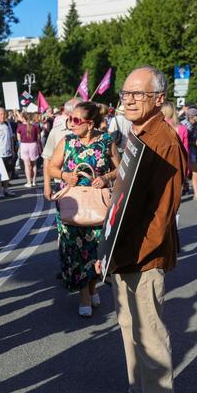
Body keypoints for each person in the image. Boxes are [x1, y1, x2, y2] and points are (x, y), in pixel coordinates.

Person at [97, 66, 185, 393]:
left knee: (150, 336)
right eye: (126, 93)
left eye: (139, 94)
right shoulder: (138, 132)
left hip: (143, 257)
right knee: (129, 327)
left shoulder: (164, 140)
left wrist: (125, 254)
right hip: (124, 252)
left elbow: (162, 215)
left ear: (159, 99)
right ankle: (139, 391)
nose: (129, 100)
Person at [47, 102, 119, 317]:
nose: (71, 123)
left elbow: (122, 167)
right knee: (75, 252)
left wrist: (106, 177)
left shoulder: (106, 141)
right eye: (70, 119)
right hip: (72, 206)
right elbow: (51, 167)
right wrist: (64, 176)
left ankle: (92, 286)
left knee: (97, 251)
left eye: (76, 120)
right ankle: (84, 296)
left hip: (98, 205)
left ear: (89, 124)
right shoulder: (67, 141)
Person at [42, 98, 81, 201]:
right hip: (61, 183)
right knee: (65, 214)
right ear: (69, 114)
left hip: (85, 184)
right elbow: (47, 160)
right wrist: (47, 185)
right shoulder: (56, 132)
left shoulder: (89, 130)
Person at [16, 111, 42, 187]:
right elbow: (38, 138)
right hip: (33, 145)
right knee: (34, 165)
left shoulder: (20, 127)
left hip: (24, 145)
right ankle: (34, 181)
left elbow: (18, 138)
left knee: (27, 165)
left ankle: (29, 182)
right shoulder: (35, 127)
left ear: (23, 118)